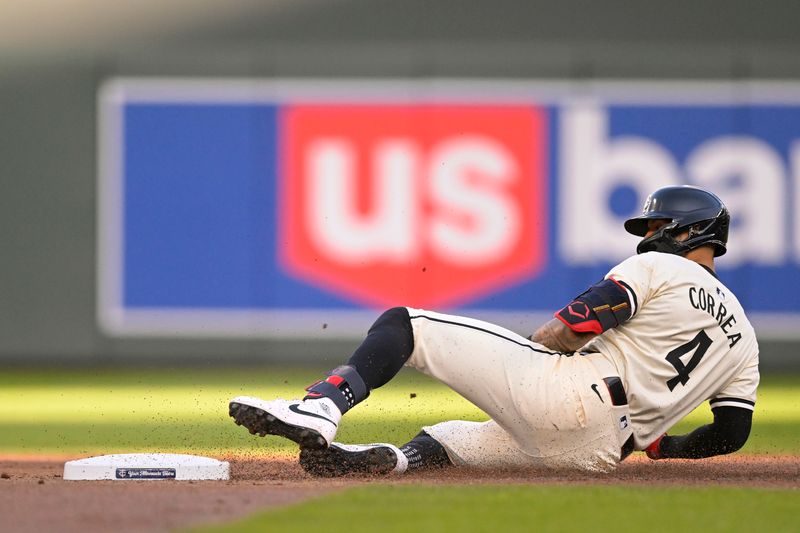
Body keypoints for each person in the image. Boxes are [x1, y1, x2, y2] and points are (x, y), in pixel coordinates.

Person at [230, 185, 759, 475]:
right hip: (599, 454)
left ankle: (321, 407)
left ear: (690, 231)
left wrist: (527, 368)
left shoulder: (660, 269)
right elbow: (732, 434)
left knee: (407, 324)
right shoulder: (746, 340)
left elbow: (573, 326)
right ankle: (393, 462)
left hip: (570, 396)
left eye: (655, 226)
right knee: (452, 438)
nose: (648, 235)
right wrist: (667, 449)